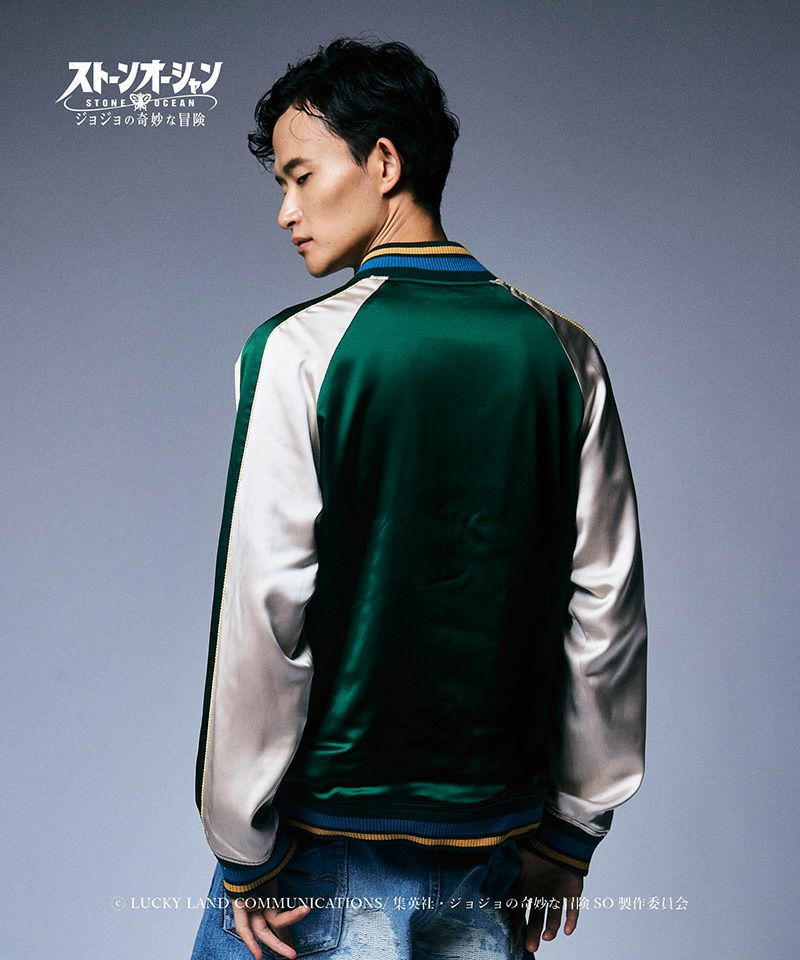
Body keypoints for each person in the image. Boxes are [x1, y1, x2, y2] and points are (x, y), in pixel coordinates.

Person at [190, 37, 647, 960]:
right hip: (498, 849)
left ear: (385, 163)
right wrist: (572, 834)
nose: (285, 211)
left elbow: (264, 609)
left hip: (323, 854)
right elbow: (607, 606)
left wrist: (241, 843)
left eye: (300, 176)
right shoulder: (563, 353)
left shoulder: (299, 353)